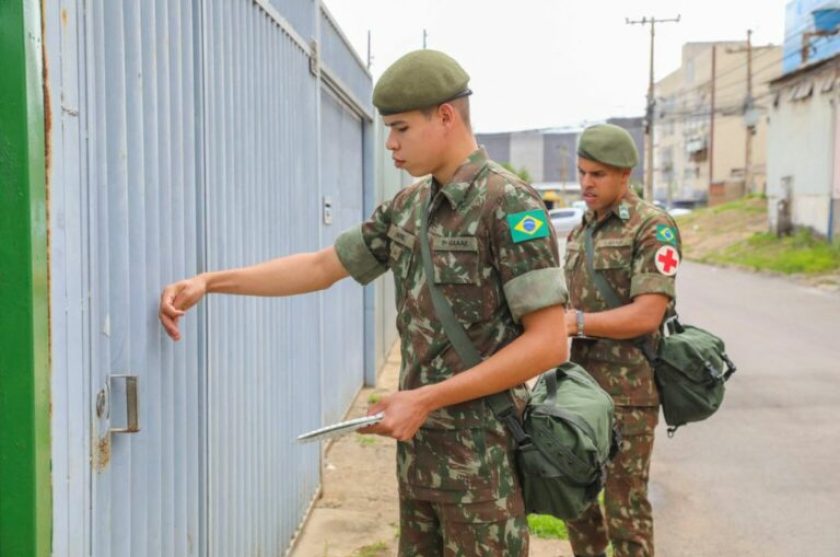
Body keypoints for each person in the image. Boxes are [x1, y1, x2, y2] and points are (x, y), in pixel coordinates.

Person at [159, 49, 568, 556]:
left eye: (400, 129)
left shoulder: (509, 205)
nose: (391, 144)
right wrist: (209, 281)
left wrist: (424, 399)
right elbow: (319, 267)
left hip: (484, 461)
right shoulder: (409, 207)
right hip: (420, 454)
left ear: (445, 116)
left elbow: (549, 344)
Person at [562, 124, 682, 557]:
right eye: (582, 172)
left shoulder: (653, 228)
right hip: (578, 392)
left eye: (598, 174)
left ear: (624, 175)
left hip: (628, 395)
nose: (586, 183)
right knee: (575, 501)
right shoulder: (581, 231)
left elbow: (647, 314)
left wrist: (576, 322)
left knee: (624, 508)